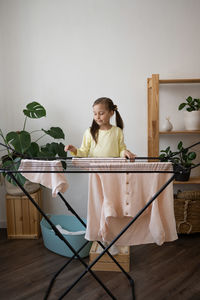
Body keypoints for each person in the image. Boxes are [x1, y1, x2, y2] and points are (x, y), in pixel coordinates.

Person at [64, 97, 135, 160]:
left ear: (111, 113)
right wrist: (74, 150)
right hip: (95, 170)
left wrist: (125, 152)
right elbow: (84, 152)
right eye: (95, 114)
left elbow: (121, 150)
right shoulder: (89, 132)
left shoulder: (117, 131)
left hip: (113, 169)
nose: (97, 117)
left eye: (101, 113)